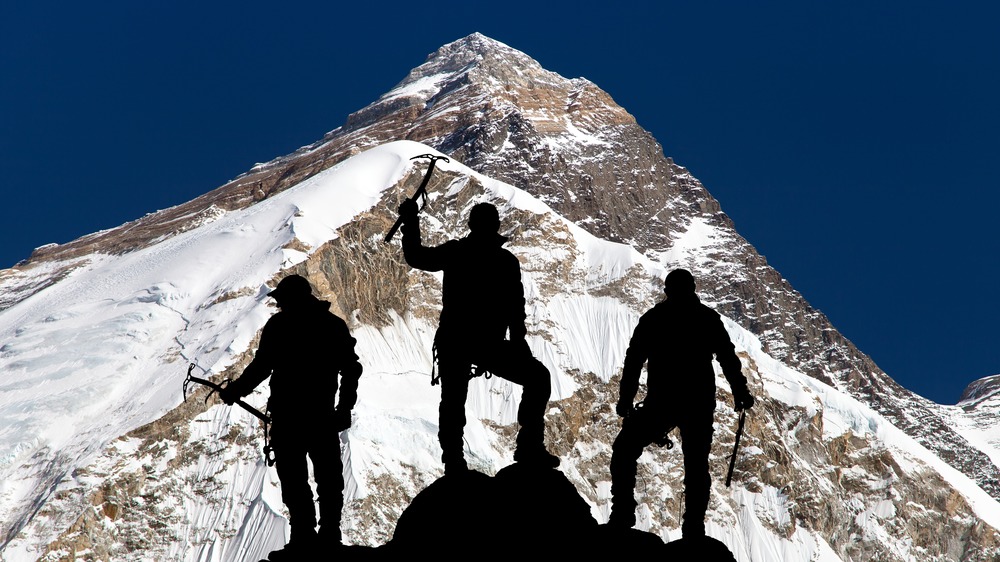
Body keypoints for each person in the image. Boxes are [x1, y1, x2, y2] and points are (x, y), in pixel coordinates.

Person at [397, 198, 559, 473]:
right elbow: (515, 307)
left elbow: (416, 257)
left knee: (452, 400)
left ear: (471, 225)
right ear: (496, 226)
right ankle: (529, 446)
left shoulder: (456, 252)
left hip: (456, 340)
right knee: (538, 378)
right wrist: (519, 343)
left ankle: (453, 460)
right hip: (488, 344)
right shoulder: (506, 261)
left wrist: (411, 221)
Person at [219, 274, 362, 559]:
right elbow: (351, 369)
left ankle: (304, 538)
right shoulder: (331, 326)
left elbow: (262, 367)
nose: (280, 304)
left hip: (288, 418)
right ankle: (328, 536)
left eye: (282, 300)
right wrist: (344, 407)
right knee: (327, 479)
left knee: (295, 480)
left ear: (291, 299)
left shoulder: (280, 326)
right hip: (321, 416)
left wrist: (236, 390)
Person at [608, 268, 754, 537]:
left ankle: (622, 512)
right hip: (697, 403)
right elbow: (727, 358)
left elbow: (633, 361)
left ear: (667, 291)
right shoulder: (707, 318)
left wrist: (626, 400)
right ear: (693, 288)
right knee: (696, 465)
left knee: (625, 448)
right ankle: (693, 527)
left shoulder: (654, 319)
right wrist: (740, 391)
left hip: (661, 402)